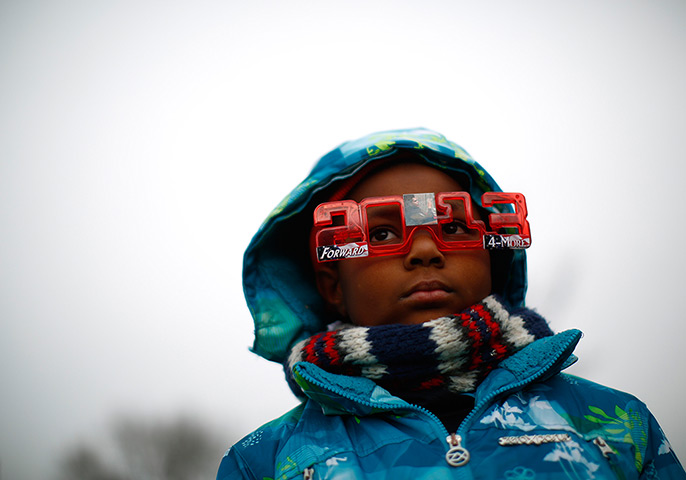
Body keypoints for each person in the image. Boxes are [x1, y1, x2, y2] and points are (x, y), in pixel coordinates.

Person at [217, 128, 684, 479]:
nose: (424, 251)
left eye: (455, 227)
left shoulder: (616, 424)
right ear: (332, 284)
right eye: (381, 233)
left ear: (494, 254)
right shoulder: (266, 459)